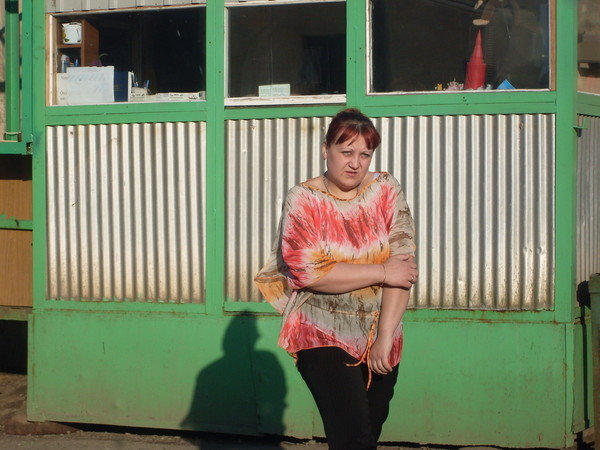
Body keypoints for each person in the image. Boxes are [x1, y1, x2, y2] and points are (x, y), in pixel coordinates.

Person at [255, 108, 418, 450]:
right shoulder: (304, 199)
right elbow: (308, 272)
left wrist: (385, 337)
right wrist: (381, 271)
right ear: (325, 148)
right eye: (346, 152)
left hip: (381, 330)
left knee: (368, 433)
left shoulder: (385, 189)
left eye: (365, 154)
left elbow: (403, 268)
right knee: (352, 438)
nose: (355, 163)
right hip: (320, 330)